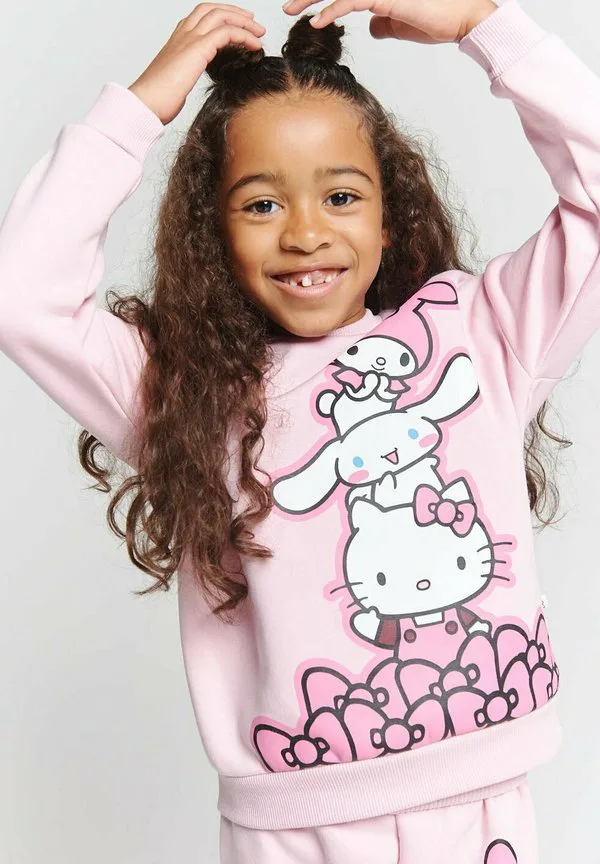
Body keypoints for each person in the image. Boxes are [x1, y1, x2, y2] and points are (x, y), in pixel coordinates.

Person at [0, 0, 597, 859]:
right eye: (261, 205)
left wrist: (484, 24)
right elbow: (24, 294)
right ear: (213, 233)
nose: (307, 233)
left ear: (388, 216)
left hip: (486, 807)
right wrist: (140, 107)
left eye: (341, 196)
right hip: (297, 830)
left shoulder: (482, 334)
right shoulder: (189, 391)